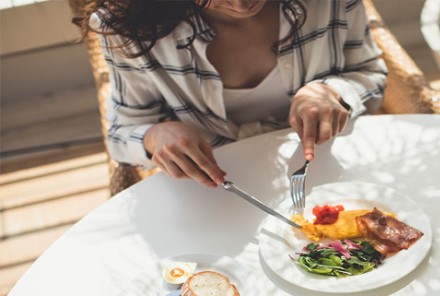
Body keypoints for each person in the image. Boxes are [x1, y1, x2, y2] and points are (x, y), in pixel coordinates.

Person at [77, 0, 386, 188]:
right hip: (216, 194)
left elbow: (370, 73)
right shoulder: (127, 29)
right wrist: (156, 137)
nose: (242, 5)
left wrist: (333, 91)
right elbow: (121, 136)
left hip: (330, 169)